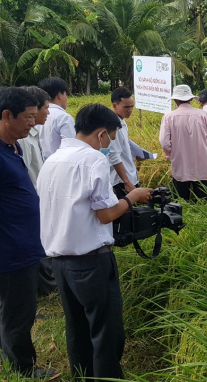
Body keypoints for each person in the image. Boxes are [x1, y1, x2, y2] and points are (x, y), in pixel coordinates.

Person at [37, 104, 152, 381]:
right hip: (91, 262)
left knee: (77, 327)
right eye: (110, 138)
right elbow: (106, 215)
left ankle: (82, 376)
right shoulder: (93, 161)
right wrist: (132, 198)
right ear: (101, 134)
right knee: (106, 330)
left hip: (60, 262)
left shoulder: (51, 161)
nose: (109, 144)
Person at [0, 87, 55, 378]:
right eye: (28, 118)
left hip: (24, 243)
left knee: (14, 309)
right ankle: (23, 368)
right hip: (12, 249)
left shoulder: (13, 146)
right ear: (6, 115)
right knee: (17, 315)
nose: (33, 123)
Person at [16, 86, 58, 296]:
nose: (48, 113)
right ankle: (43, 286)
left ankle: (45, 284)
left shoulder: (33, 133)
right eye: (46, 109)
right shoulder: (22, 139)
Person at [159, 85, 207, 200]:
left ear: (175, 100)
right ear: (191, 99)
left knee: (181, 203)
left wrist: (171, 154)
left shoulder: (168, 117)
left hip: (180, 166)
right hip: (201, 167)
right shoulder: (203, 115)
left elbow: (164, 142)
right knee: (204, 202)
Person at [108, 87, 150, 199]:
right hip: (121, 181)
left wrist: (136, 153)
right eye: (126, 107)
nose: (130, 110)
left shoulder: (121, 122)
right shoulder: (113, 126)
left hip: (129, 177)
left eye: (132, 106)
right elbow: (114, 156)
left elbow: (124, 146)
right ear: (114, 105)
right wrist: (126, 182)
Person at [38, 77, 75, 159]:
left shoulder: (35, 116)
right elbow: (71, 148)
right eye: (66, 94)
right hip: (59, 166)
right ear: (59, 95)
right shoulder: (64, 117)